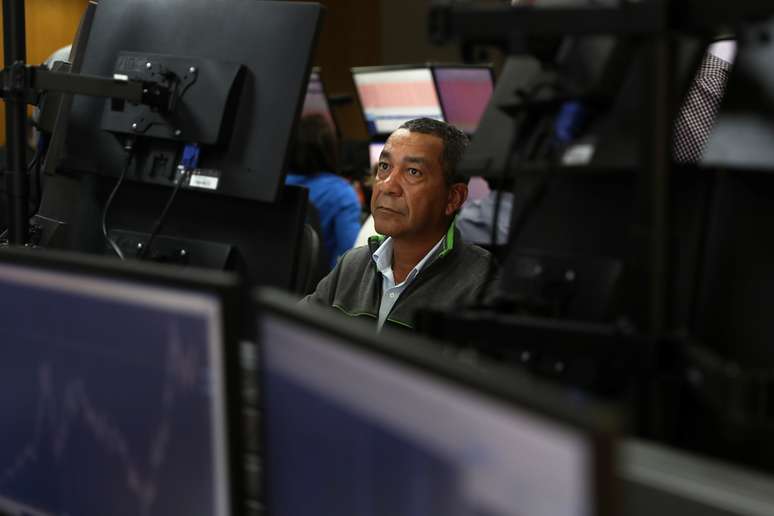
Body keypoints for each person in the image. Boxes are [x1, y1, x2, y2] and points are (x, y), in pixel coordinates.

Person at [300, 117, 498, 331]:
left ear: (453, 198)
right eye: (384, 166)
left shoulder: (481, 285)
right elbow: (290, 335)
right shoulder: (353, 265)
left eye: (413, 172)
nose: (387, 185)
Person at [286, 114, 362, 268]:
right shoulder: (341, 194)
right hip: (320, 287)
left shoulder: (275, 182)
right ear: (330, 148)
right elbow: (354, 256)